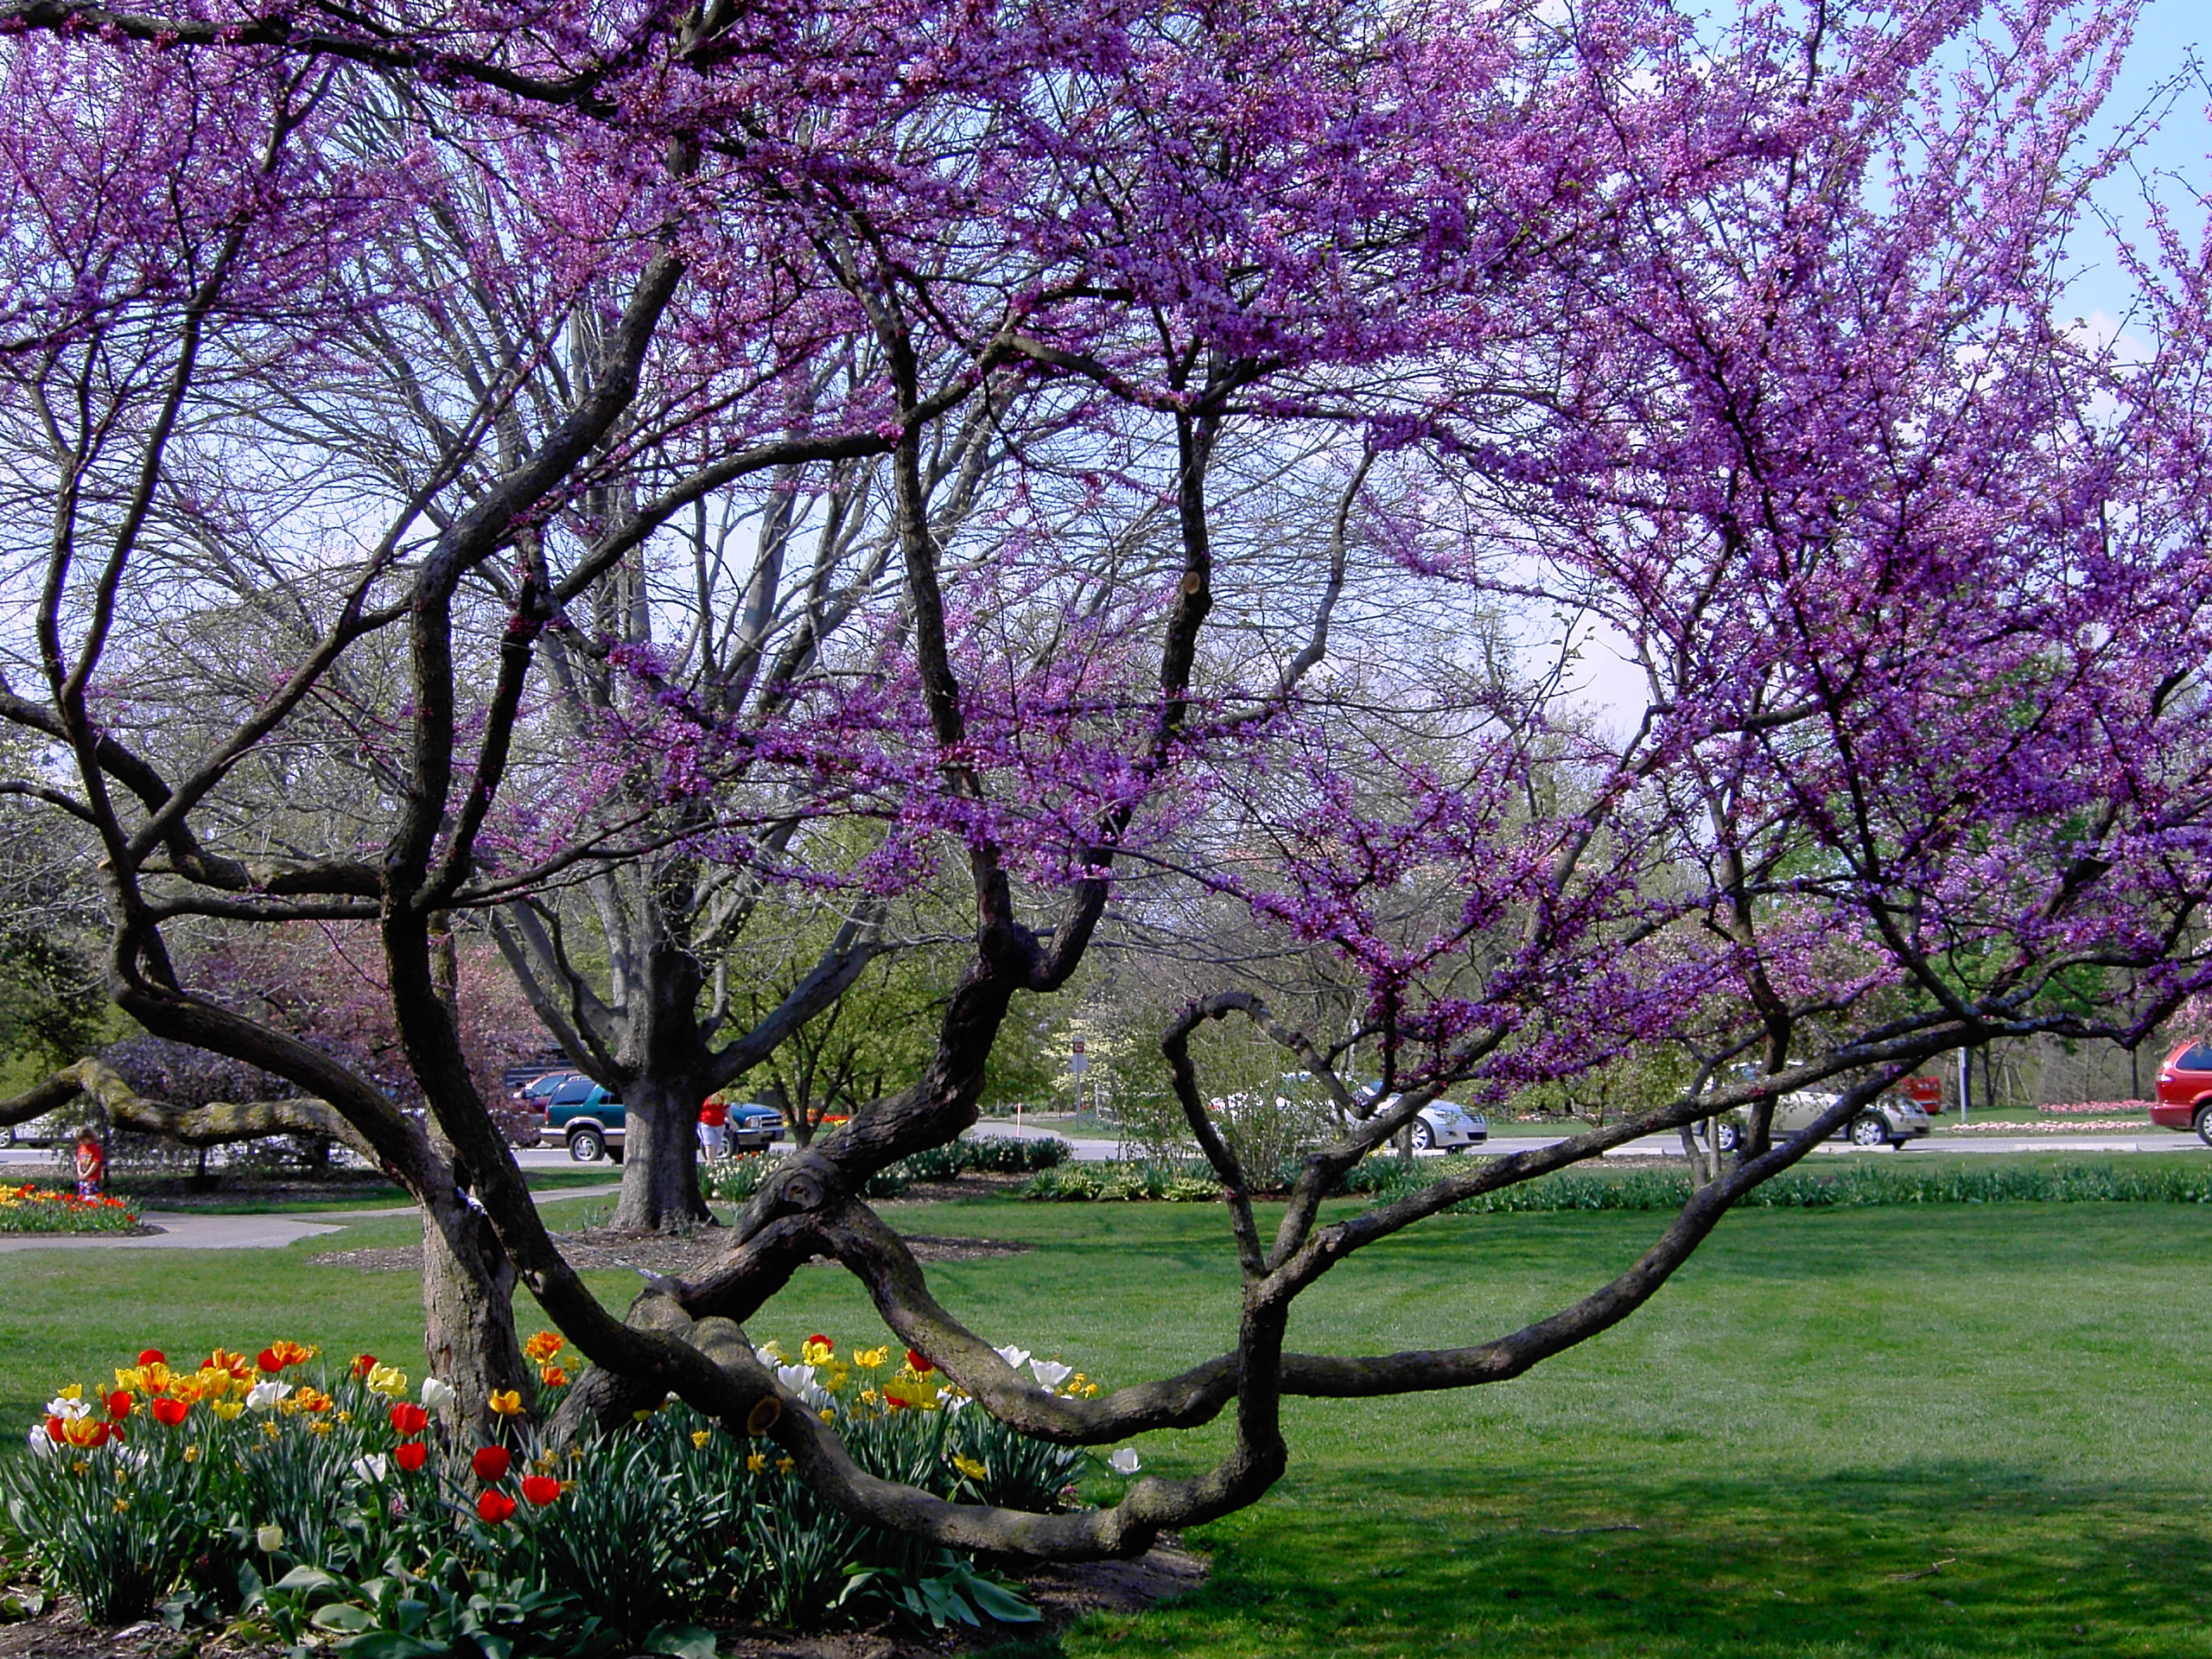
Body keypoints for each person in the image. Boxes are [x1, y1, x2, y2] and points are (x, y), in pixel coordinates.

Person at [74, 1129, 105, 1200]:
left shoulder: (95, 1148)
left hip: (92, 1177)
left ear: (90, 1138)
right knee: (82, 1195)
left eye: (84, 1140)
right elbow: (79, 1161)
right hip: (83, 1176)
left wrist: (87, 1175)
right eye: (80, 1141)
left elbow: (96, 1163)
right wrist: (80, 1172)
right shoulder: (81, 1148)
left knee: (91, 1196)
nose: (82, 1142)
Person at [697, 1095, 728, 1162]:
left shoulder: (722, 1094)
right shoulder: (703, 1095)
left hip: (719, 1124)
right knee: (709, 1144)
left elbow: (727, 1108)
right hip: (705, 1122)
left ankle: (712, 1162)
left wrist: (731, 1121)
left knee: (715, 1145)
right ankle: (710, 1163)